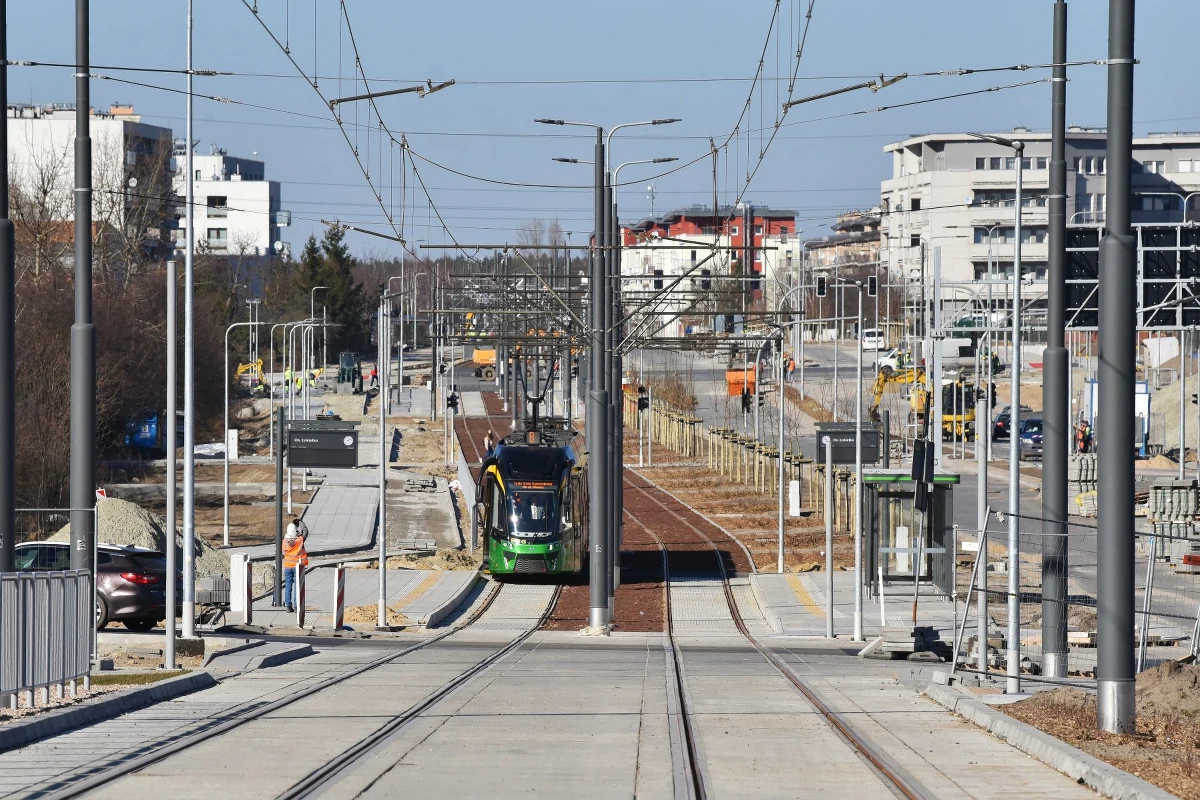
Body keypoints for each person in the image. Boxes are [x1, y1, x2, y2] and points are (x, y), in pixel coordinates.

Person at [282, 516, 310, 613]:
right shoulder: (299, 540)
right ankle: (296, 606)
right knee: (297, 587)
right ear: (296, 532)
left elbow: (283, 552)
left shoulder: (284, 541)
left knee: (288, 586)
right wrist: (300, 522)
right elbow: (305, 531)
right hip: (297, 566)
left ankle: (288, 606)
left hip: (287, 566)